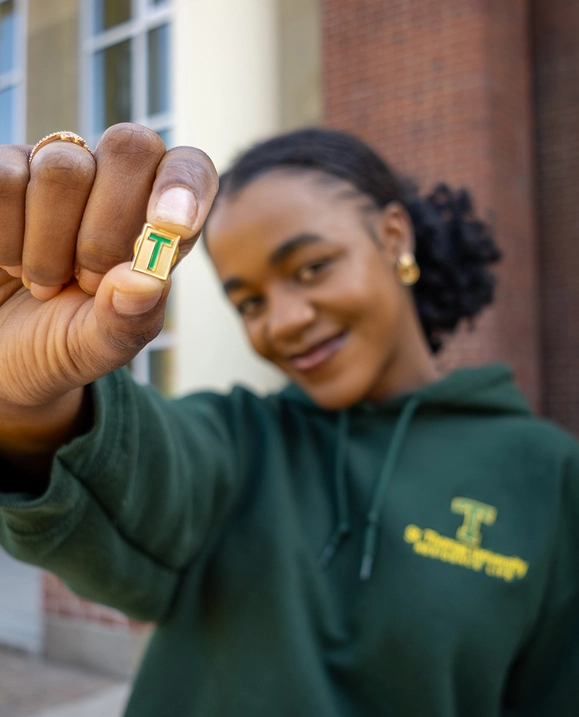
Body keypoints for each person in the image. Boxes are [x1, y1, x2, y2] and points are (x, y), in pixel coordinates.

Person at [0, 124, 578, 717]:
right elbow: (132, 477)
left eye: (310, 268)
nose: (284, 321)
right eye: (249, 302)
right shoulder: (239, 442)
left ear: (393, 237)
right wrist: (25, 398)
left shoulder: (550, 477)